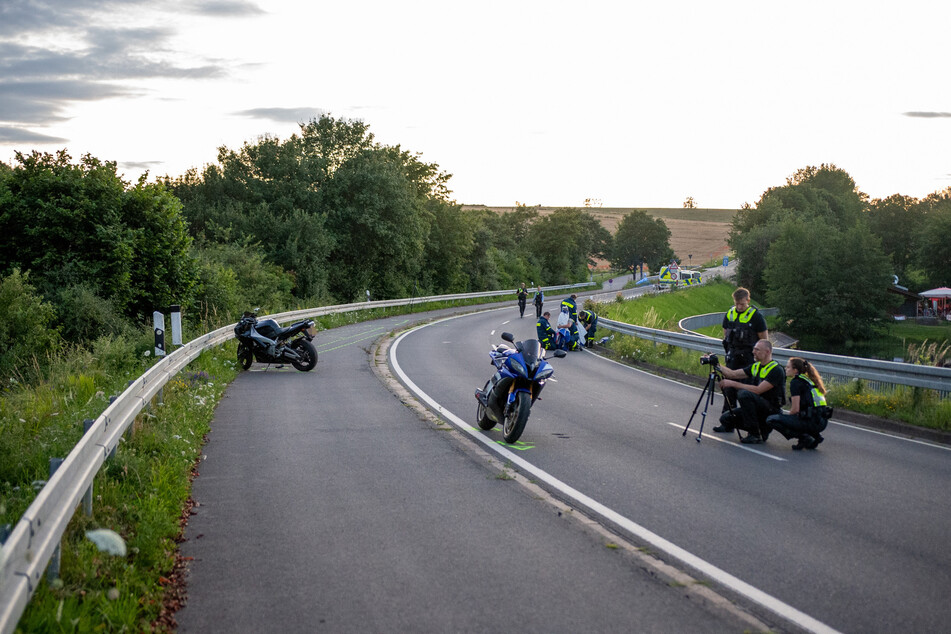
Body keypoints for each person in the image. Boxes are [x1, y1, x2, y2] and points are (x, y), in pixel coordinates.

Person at [713, 287, 769, 431]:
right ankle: (727, 423)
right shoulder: (730, 314)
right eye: (737, 304)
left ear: (748, 301)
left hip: (749, 361)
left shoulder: (756, 317)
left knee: (746, 395)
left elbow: (764, 340)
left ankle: (751, 428)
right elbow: (726, 336)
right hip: (732, 358)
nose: (739, 307)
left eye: (742, 304)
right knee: (728, 391)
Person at [709, 340, 785, 444]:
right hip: (758, 406)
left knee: (744, 394)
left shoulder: (776, 370)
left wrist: (733, 384)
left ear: (767, 352)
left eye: (757, 349)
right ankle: (759, 429)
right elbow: (733, 374)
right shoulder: (756, 366)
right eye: (754, 349)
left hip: (770, 408)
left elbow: (758, 390)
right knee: (726, 419)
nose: (753, 351)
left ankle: (755, 433)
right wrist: (716, 364)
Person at [766, 358, 831, 450]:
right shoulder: (810, 381)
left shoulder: (796, 382)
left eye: (788, 367)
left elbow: (795, 409)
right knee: (797, 417)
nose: (785, 369)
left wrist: (787, 419)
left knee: (771, 419)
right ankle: (814, 436)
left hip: (812, 422)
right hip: (822, 422)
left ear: (795, 370)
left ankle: (804, 437)